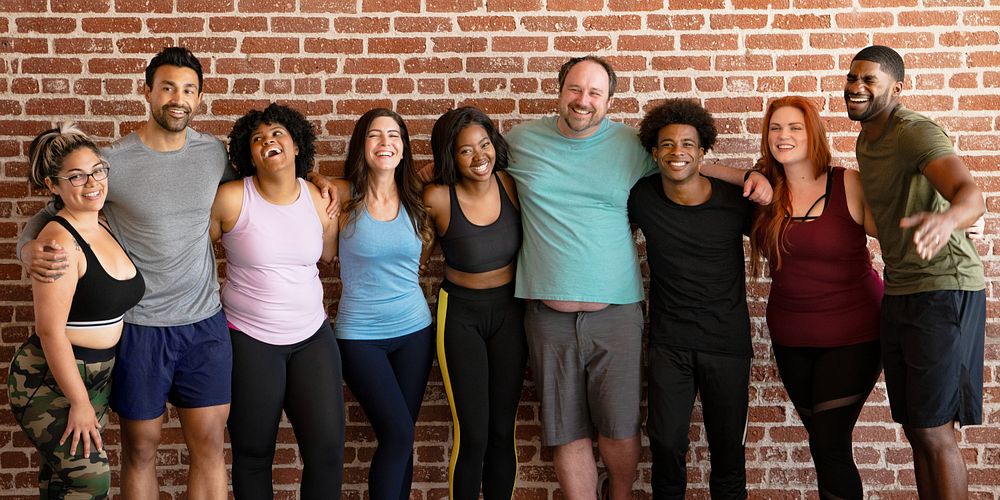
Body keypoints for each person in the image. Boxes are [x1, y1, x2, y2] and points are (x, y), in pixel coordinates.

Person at [502, 55, 772, 499]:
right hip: (546, 314)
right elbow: (471, 164)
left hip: (618, 313)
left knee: (620, 426)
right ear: (559, 89)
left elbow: (686, 164)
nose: (583, 100)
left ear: (609, 100)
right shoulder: (520, 141)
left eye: (594, 93)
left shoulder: (632, 145)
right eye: (575, 89)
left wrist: (746, 176)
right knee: (565, 430)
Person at [17, 47, 234, 499]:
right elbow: (50, 216)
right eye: (168, 87)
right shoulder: (113, 161)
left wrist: (327, 187)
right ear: (148, 91)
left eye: (189, 90)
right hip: (141, 327)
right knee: (141, 448)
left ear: (200, 98)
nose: (179, 98)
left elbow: (260, 189)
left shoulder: (214, 153)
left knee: (212, 443)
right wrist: (26, 250)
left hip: (204, 323)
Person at [844, 45, 986, 498]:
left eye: (869, 79)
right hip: (902, 288)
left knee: (934, 430)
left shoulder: (914, 131)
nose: (856, 87)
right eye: (852, 78)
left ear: (897, 88)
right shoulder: (865, 139)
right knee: (915, 428)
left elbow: (970, 193)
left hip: (945, 286)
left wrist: (946, 219)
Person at [749, 96, 883, 499]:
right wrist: (746, 175)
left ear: (814, 135)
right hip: (791, 337)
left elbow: (892, 232)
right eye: (776, 128)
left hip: (854, 333)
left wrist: (952, 220)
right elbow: (706, 175)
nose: (783, 136)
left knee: (829, 443)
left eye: (795, 127)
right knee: (824, 445)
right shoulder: (764, 192)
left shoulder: (848, 182)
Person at [209, 103, 343, 499]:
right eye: (257, 138)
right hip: (250, 341)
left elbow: (328, 255)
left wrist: (320, 179)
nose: (269, 140)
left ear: (297, 145)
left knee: (327, 452)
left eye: (278, 133)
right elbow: (188, 245)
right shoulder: (231, 198)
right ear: (248, 155)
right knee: (252, 454)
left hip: (312, 339)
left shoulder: (320, 199)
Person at [8, 124, 144, 498]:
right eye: (76, 176)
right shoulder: (57, 242)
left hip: (97, 374)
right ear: (53, 186)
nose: (92, 182)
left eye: (97, 170)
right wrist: (80, 401)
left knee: (62, 485)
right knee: (89, 481)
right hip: (53, 378)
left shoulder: (101, 224)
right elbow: (50, 330)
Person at [628, 99, 753, 499]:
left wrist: (755, 177)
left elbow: (781, 205)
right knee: (665, 445)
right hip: (670, 342)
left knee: (727, 452)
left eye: (687, 144)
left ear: (702, 152)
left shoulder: (735, 202)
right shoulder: (642, 197)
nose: (676, 152)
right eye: (666, 144)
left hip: (727, 343)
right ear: (653, 152)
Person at [331, 108, 434, 500]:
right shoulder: (342, 198)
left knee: (402, 437)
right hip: (360, 337)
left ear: (404, 148)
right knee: (398, 432)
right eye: (375, 135)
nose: (385, 143)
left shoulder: (419, 200)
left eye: (394, 135)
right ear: (362, 146)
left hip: (415, 332)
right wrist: (324, 181)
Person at [424, 107, 526, 499]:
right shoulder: (436, 197)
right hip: (460, 314)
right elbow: (381, 195)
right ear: (450, 156)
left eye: (484, 144)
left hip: (510, 312)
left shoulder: (512, 184)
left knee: (503, 429)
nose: (479, 156)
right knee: (473, 432)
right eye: (465, 150)